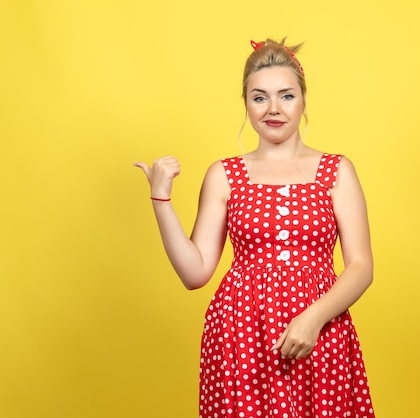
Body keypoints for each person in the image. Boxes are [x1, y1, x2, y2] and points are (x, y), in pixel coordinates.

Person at [134, 38, 374, 418]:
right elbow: (195, 273)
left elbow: (361, 266)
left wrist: (313, 319)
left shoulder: (336, 171)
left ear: (303, 100)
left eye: (286, 96)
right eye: (259, 97)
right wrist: (161, 200)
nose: (273, 109)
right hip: (240, 336)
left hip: (321, 332)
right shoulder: (224, 175)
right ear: (245, 103)